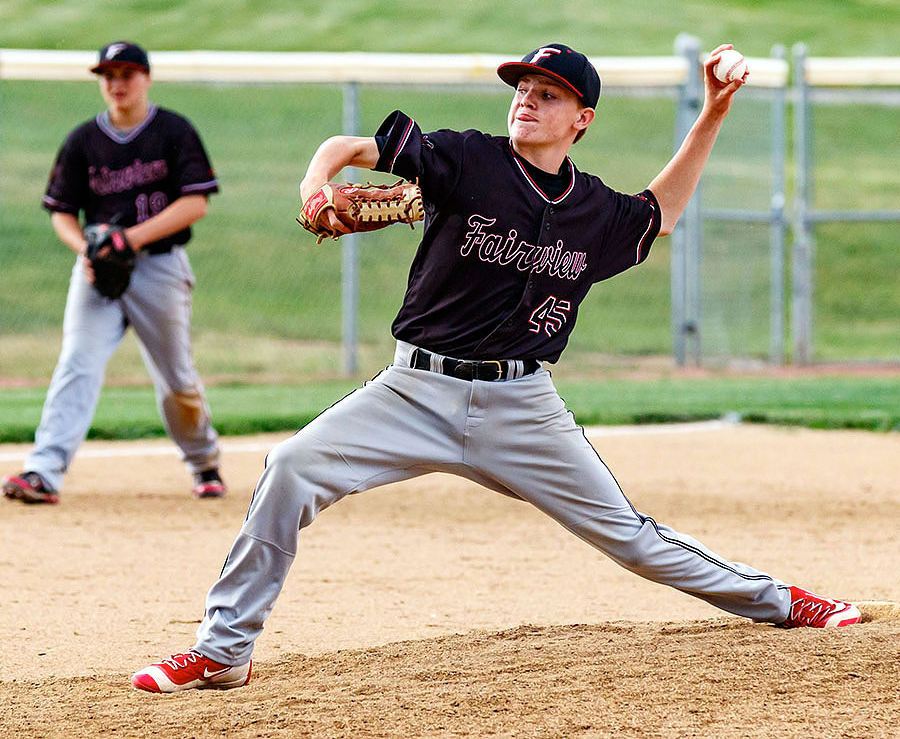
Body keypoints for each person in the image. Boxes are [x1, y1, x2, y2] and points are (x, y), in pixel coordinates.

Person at [131, 42, 861, 693]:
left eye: (548, 94)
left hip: (524, 407)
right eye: (522, 88)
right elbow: (343, 146)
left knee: (634, 539)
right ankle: (223, 651)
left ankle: (783, 600)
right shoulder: (466, 159)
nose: (527, 100)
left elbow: (660, 214)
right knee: (290, 466)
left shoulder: (593, 210)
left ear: (582, 119)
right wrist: (314, 184)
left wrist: (713, 110)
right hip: (414, 390)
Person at [2, 41, 227, 504]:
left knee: (176, 378)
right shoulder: (83, 139)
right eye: (108, 75)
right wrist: (88, 246)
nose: (117, 84)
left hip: (159, 267)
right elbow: (61, 211)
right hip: (96, 272)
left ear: (146, 78)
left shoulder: (173, 131)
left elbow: (195, 203)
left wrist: (132, 238)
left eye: (126, 74)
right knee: (76, 363)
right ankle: (43, 471)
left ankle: (204, 462)